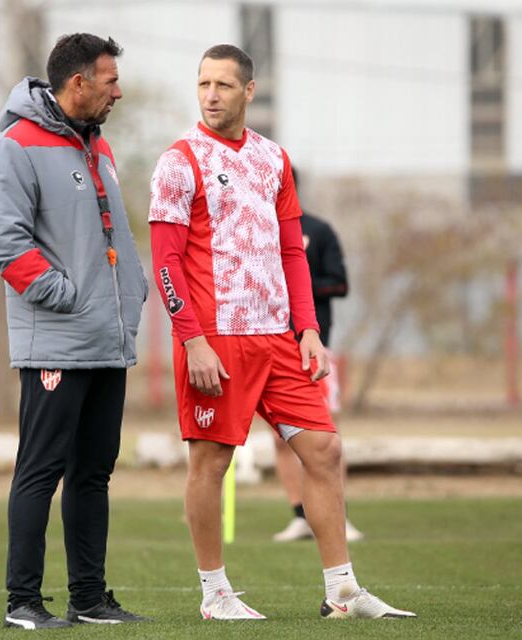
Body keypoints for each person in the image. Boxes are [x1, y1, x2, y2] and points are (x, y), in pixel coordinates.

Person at [148, 44, 415, 621]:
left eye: (223, 85)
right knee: (210, 465)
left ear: (249, 91)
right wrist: (191, 338)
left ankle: (341, 591)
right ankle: (215, 594)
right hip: (214, 341)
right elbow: (165, 262)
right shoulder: (178, 160)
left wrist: (309, 330)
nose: (211, 95)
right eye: (202, 84)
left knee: (324, 448)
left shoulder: (274, 160)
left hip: (280, 340)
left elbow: (292, 251)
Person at [0, 33, 149, 630]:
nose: (118, 91)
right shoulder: (16, 145)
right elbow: (5, 245)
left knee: (92, 475)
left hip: (107, 342)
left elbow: (112, 240)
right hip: (57, 340)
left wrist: (132, 292)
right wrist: (67, 298)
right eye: (110, 81)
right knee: (40, 472)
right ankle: (22, 603)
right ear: (77, 83)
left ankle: (89, 598)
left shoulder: (96, 148)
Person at [271, 169, 363, 544]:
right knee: (280, 440)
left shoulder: (318, 231)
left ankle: (339, 515)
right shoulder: (250, 231)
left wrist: (297, 280)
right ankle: (299, 515)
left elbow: (340, 283)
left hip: (313, 347)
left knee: (326, 436)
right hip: (268, 347)